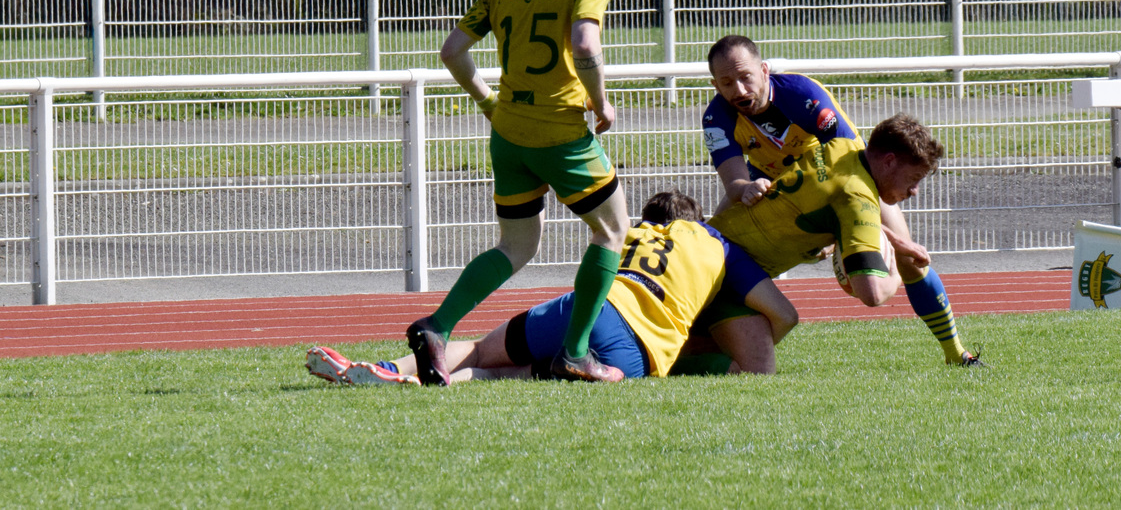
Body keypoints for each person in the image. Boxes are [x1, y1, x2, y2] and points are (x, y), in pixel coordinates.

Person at [404, 0, 630, 384]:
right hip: (559, 131)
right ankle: (575, 353)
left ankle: (437, 326)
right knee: (613, 230)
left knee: (517, 244)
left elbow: (452, 51)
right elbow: (585, 42)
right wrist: (601, 101)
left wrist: (489, 103)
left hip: (508, 133)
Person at [307, 189, 796, 385]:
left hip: (589, 308)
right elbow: (784, 315)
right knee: (501, 375)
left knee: (479, 350)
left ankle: (390, 369)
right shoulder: (716, 244)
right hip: (636, 350)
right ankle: (424, 384)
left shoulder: (632, 231)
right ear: (696, 221)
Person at [702, 39, 979, 367]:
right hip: (774, 184)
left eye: (745, 77)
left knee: (910, 258)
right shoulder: (716, 115)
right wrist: (746, 188)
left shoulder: (803, 95)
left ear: (764, 71)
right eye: (726, 83)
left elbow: (849, 171)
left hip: (840, 177)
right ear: (715, 85)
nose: (738, 89)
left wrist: (883, 239)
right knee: (711, 250)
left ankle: (956, 352)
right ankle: (698, 347)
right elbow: (734, 183)